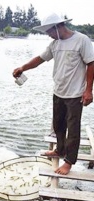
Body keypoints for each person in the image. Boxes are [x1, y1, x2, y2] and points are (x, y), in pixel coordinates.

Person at [13, 13, 94, 175]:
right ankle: (60, 150)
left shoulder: (81, 40)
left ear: (57, 27)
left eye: (48, 31)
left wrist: (88, 90)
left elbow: (91, 63)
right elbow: (40, 59)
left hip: (75, 94)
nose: (48, 34)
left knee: (73, 129)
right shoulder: (55, 44)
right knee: (58, 125)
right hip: (59, 91)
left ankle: (69, 162)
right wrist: (23, 68)